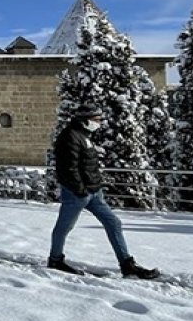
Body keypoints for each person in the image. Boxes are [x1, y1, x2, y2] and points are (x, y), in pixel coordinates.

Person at [48, 105, 160, 279]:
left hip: (93, 192)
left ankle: (127, 264)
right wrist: (80, 190)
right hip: (78, 194)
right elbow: (67, 168)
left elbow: (87, 165)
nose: (100, 123)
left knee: (113, 222)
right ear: (85, 120)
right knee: (64, 227)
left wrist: (96, 186)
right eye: (97, 120)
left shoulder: (83, 136)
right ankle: (55, 260)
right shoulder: (69, 137)